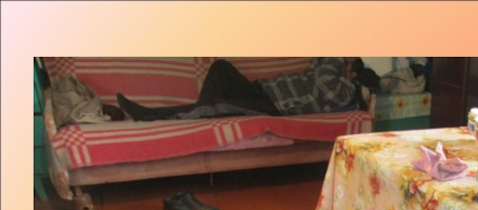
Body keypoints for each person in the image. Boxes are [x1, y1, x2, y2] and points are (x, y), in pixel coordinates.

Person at [116, 57, 363, 121]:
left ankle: (148, 114)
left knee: (215, 106)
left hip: (271, 106)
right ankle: (203, 113)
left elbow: (324, 75)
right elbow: (319, 63)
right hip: (259, 90)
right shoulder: (328, 71)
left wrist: (341, 58)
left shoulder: (345, 89)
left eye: (347, 64)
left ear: (352, 72)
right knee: (221, 67)